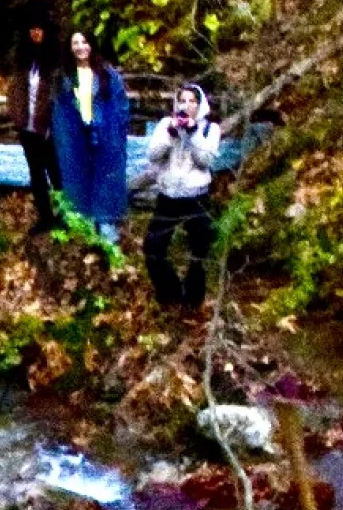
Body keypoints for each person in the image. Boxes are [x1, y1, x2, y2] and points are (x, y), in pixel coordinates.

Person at [142, 83, 221, 310]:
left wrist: (194, 132)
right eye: (182, 101)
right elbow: (152, 154)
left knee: (199, 251)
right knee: (153, 248)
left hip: (196, 196)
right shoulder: (166, 124)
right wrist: (171, 135)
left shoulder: (210, 129)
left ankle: (193, 300)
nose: (187, 106)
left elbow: (205, 160)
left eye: (192, 101)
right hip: (168, 197)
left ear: (200, 105)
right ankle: (170, 293)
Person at [52, 31, 131, 242]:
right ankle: (82, 221)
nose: (80, 47)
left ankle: (105, 221)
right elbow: (60, 110)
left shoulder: (107, 74)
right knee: (78, 175)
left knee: (106, 175)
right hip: (76, 136)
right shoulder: (65, 76)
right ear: (70, 48)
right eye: (75, 43)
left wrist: (115, 131)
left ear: (91, 45)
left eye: (84, 42)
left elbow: (121, 105)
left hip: (105, 134)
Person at [6, 9, 61, 234]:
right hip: (27, 128)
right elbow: (15, 91)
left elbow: (58, 97)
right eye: (32, 30)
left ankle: (65, 215)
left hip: (47, 130)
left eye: (39, 30)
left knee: (56, 173)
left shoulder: (55, 61)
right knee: (36, 174)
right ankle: (45, 216)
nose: (35, 34)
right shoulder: (24, 59)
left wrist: (50, 125)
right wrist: (16, 116)